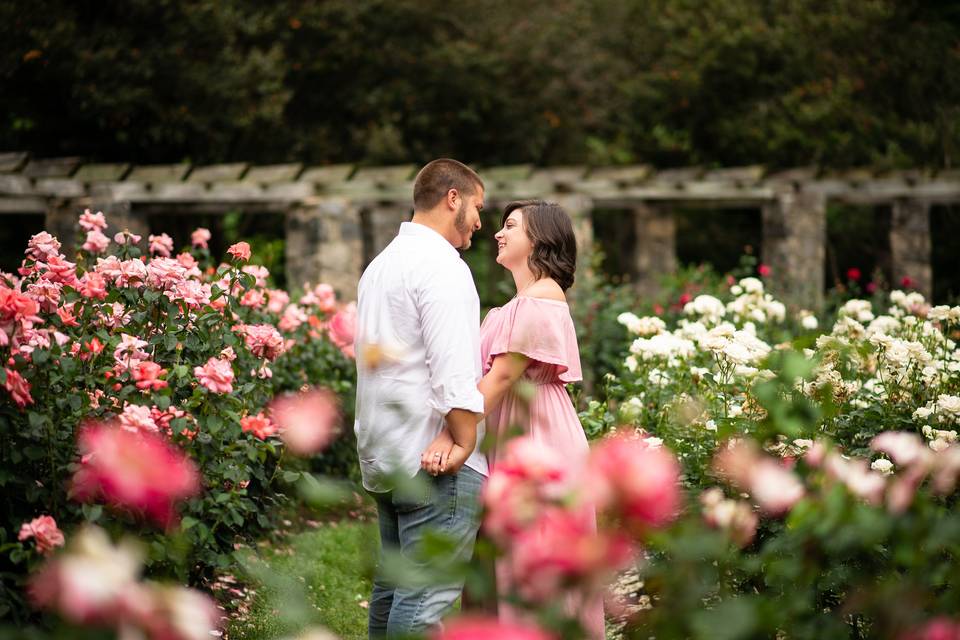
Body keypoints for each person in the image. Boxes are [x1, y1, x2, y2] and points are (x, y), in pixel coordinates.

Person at [421, 200, 604, 638]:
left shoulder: (539, 302)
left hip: (539, 437)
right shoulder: (521, 303)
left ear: (538, 239)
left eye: (510, 226)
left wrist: (452, 435)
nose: (498, 234)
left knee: (535, 562)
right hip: (515, 431)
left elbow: (502, 376)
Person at [354, 158, 488, 638]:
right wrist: (466, 441)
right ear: (453, 197)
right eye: (477, 207)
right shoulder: (442, 268)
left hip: (385, 453)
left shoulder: (380, 266)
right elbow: (452, 372)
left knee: (393, 592)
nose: (480, 221)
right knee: (425, 603)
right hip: (432, 459)